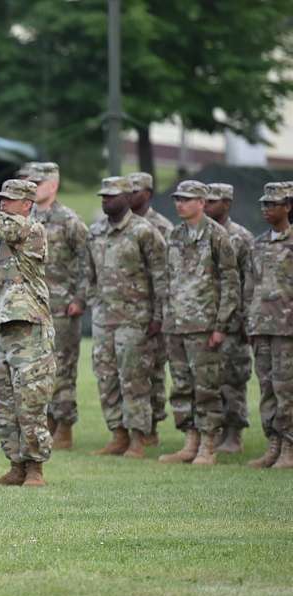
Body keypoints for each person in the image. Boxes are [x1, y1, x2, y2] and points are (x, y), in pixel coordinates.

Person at [0, 168, 55, 487]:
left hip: (29, 328)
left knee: (30, 398)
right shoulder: (1, 239)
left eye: (10, 201)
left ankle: (35, 468)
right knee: (4, 402)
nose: (4, 204)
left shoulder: (29, 228)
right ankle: (15, 465)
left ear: (27, 205)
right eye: (1, 199)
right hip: (3, 328)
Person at [83, 177, 167, 459]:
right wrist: (94, 303)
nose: (105, 200)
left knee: (134, 379)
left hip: (136, 319)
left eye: (111, 196)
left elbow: (160, 276)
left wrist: (157, 316)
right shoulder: (95, 232)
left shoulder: (144, 231)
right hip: (104, 319)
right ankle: (117, 434)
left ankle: (139, 438)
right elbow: (90, 275)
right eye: (103, 196)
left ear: (127, 198)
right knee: (106, 377)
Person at [158, 181, 239, 466]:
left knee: (206, 386)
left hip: (204, 325)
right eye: (177, 199)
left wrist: (221, 324)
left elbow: (231, 283)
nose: (180, 203)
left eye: (187, 199)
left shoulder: (217, 236)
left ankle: (208, 445)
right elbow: (167, 278)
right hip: (176, 324)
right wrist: (165, 316)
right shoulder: (174, 235)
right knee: (181, 385)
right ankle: (189, 442)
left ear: (202, 202)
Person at [28, 162, 87, 450]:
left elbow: (88, 262)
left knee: (63, 368)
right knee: (39, 369)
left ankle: (64, 426)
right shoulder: (27, 218)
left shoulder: (69, 220)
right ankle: (47, 420)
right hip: (33, 306)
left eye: (38, 182)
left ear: (52, 185)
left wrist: (80, 298)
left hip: (63, 307)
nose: (33, 186)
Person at [245, 183, 293, 468]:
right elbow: (250, 285)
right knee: (267, 388)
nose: (266, 209)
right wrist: (248, 319)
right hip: (261, 326)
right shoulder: (259, 243)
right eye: (263, 204)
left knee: (287, 388)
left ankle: (289, 446)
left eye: (272, 204)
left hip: (287, 328)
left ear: (288, 206)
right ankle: (273, 444)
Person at [204, 183, 255, 454]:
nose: (207, 206)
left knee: (233, 378)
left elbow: (249, 282)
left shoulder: (241, 238)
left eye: (213, 201)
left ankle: (234, 433)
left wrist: (247, 319)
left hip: (234, 323)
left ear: (227, 203)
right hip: (204, 320)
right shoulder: (202, 236)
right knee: (210, 380)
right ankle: (216, 430)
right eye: (205, 201)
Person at [127, 171, 173, 442]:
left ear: (149, 193)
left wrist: (160, 314)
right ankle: (135, 428)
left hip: (154, 312)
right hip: (128, 312)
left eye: (137, 190)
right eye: (128, 191)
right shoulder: (123, 225)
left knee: (154, 371)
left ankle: (152, 426)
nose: (131, 195)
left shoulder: (162, 227)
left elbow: (164, 275)